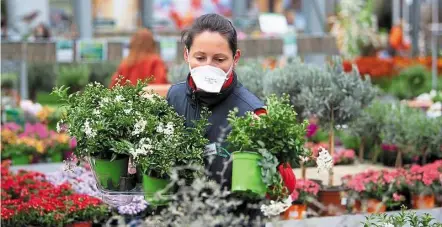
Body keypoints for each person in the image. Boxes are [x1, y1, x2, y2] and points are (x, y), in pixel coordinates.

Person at [166, 13, 296, 213]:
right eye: (200, 58)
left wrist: (268, 147)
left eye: (219, 59)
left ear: (235, 59)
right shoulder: (175, 96)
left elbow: (285, 188)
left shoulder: (252, 112)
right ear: (186, 55)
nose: (208, 66)